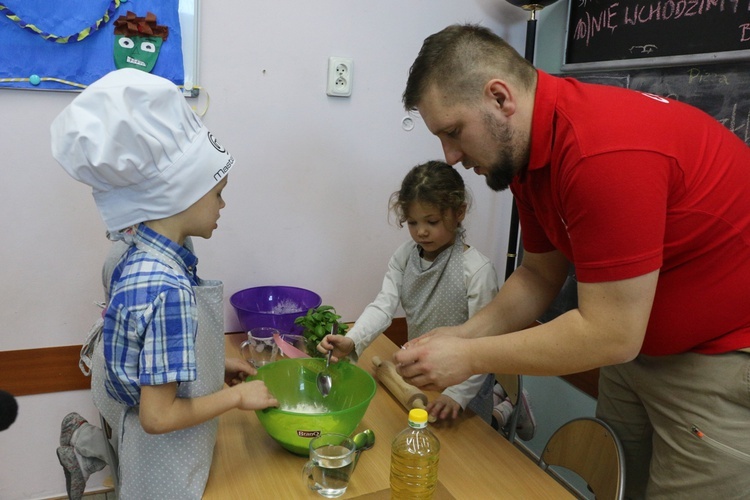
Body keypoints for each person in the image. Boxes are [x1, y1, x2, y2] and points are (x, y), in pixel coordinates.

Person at [393, 23, 750, 499]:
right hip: (634, 352)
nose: (451, 156)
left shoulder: (600, 152)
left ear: (500, 98)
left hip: (715, 361)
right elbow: (540, 273)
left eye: (454, 132)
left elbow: (610, 332)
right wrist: (460, 335)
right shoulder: (526, 156)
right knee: (613, 485)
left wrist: (469, 355)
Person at [50, 68, 278, 499]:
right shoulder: (169, 287)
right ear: (181, 193)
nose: (223, 204)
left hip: (124, 412)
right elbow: (158, 417)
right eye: (218, 192)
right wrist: (237, 398)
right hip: (160, 454)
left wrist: (214, 366)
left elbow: (149, 351)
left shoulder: (135, 252)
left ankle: (85, 445)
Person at [319, 160, 529, 429]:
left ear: (459, 212)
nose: (421, 231)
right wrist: (352, 340)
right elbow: (384, 306)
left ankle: (505, 409)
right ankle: (506, 404)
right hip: (422, 375)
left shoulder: (476, 270)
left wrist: (457, 394)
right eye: (412, 222)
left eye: (432, 221)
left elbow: (483, 342)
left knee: (470, 449)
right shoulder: (405, 257)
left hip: (466, 385)